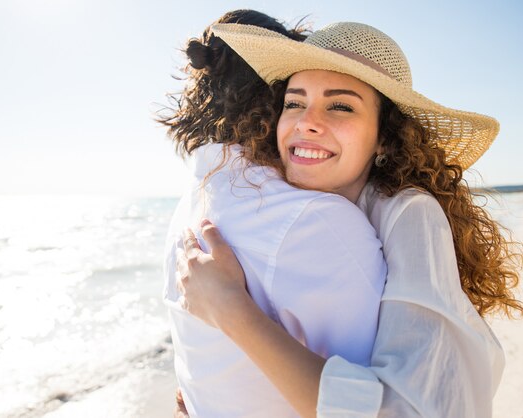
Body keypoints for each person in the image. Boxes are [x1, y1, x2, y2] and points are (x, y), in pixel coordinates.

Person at [177, 22, 523, 417]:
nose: (307, 121)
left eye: (340, 106)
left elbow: (409, 409)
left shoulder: (411, 214)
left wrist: (230, 310)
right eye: (294, 103)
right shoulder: (295, 207)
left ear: (384, 138)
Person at [158, 11, 388, 417]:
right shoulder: (317, 220)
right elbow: (387, 402)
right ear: (275, 98)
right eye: (295, 99)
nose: (308, 120)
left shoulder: (190, 204)